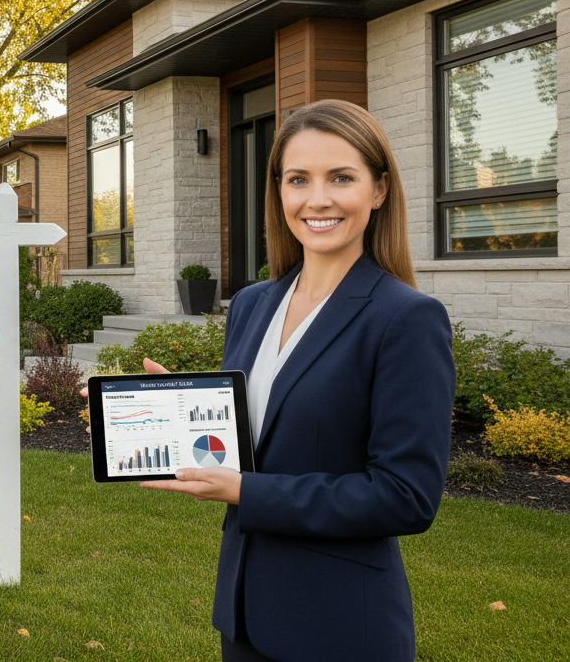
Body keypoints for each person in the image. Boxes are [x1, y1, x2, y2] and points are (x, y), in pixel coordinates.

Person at [137, 100, 455, 661]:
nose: (318, 199)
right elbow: (264, 435)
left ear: (379, 189)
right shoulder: (253, 303)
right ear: (279, 191)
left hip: (338, 628)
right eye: (298, 179)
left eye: (341, 177)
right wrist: (185, 412)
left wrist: (245, 491)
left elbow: (405, 498)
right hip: (242, 617)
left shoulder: (406, 319)